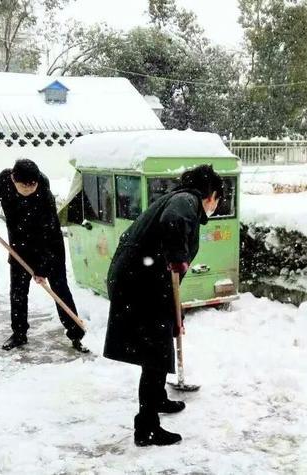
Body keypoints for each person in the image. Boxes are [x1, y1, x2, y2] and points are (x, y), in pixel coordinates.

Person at [103, 164, 223, 447]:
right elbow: (172, 222)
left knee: (161, 338)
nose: (217, 205)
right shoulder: (187, 200)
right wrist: (178, 257)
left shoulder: (180, 199)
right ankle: (146, 428)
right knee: (154, 350)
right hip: (140, 284)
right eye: (219, 199)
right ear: (212, 194)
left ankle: (157, 399)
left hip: (141, 280)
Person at [0, 159, 89, 353]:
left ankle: (76, 334)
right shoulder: (4, 179)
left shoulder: (43, 190)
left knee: (59, 288)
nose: (29, 189)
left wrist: (41, 269)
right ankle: (19, 334)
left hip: (49, 244)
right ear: (13, 179)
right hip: (19, 245)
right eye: (24, 186)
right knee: (18, 292)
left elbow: (49, 230)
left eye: (33, 185)